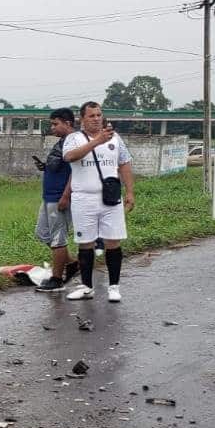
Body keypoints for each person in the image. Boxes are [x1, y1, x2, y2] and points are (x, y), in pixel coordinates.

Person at [62, 102, 135, 302]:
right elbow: (70, 157)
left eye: (99, 115)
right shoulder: (73, 138)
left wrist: (130, 192)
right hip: (83, 198)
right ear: (82, 119)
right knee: (85, 242)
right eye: (91, 115)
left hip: (110, 197)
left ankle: (114, 286)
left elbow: (124, 164)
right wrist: (96, 141)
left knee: (113, 240)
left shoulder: (115, 138)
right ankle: (87, 286)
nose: (96, 118)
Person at [33, 108, 81, 292]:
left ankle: (56, 279)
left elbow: (76, 172)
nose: (52, 128)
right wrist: (45, 167)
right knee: (43, 233)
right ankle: (72, 263)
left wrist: (66, 196)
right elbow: (60, 167)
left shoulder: (74, 142)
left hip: (60, 196)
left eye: (55, 124)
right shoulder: (63, 142)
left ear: (68, 123)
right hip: (49, 195)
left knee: (57, 238)